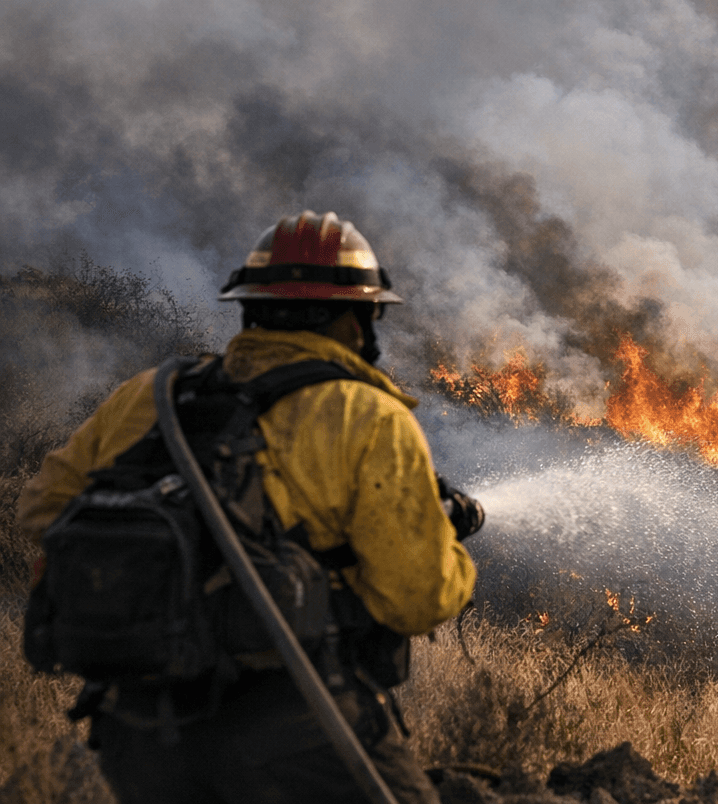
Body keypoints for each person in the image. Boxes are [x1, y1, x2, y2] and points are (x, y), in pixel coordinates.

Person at [17, 210, 481, 804]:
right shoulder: (367, 416)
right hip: (296, 722)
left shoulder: (153, 395)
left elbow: (42, 509)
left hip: (139, 731)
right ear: (354, 319)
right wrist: (442, 540)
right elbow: (417, 599)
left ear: (251, 307)